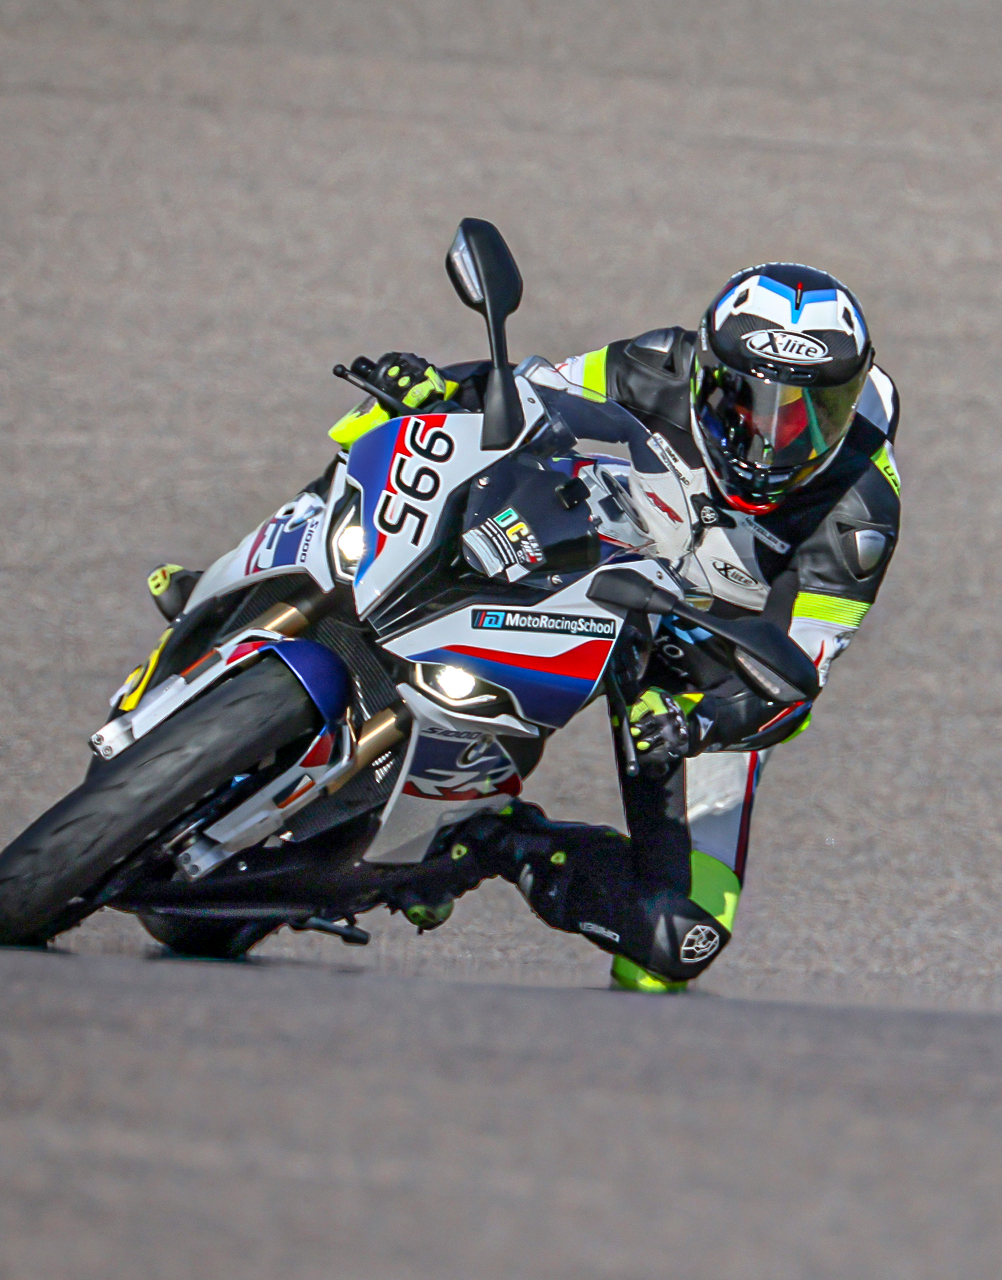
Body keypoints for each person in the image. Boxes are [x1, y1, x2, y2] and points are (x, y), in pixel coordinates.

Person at [329, 263, 902, 990]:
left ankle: (483, 838)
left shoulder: (861, 510)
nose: (778, 440)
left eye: (817, 412)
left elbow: (796, 680)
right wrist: (440, 388)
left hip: (694, 677)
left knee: (676, 942)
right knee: (385, 452)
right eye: (753, 405)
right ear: (707, 374)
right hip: (588, 572)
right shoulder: (656, 363)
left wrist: (700, 723)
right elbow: (531, 393)